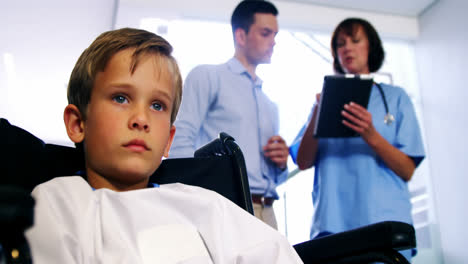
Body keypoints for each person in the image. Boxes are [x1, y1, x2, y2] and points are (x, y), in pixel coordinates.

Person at [24, 27, 303, 264]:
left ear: (168, 140)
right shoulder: (56, 204)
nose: (141, 119)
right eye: (121, 98)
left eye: (157, 105)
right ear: (77, 124)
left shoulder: (206, 206)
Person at [289, 18, 425, 262]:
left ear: (370, 46)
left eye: (355, 40)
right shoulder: (322, 104)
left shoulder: (395, 98)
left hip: (383, 223)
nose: (347, 48)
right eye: (340, 44)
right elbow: (302, 160)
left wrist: (372, 136)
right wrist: (319, 112)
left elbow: (407, 170)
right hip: (333, 225)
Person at [169, 0, 289, 229]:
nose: (273, 41)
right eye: (266, 33)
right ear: (241, 36)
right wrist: (190, 202)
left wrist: (281, 164)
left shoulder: (270, 105)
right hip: (225, 207)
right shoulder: (208, 77)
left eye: (275, 34)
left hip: (268, 212)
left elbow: (276, 178)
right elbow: (179, 139)